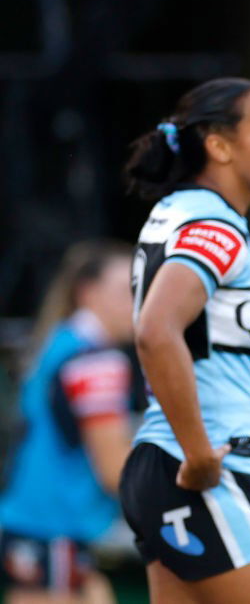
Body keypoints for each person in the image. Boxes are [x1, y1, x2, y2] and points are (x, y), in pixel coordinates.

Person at [119, 77, 250, 603]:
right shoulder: (217, 227)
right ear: (219, 144)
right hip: (203, 470)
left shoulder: (173, 212)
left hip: (162, 466)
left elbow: (213, 363)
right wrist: (201, 453)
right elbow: (156, 332)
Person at [0, 241, 134, 603]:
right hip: (54, 529)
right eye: (126, 290)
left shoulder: (59, 342)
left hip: (34, 526)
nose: (137, 303)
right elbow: (114, 472)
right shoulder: (96, 361)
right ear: (88, 293)